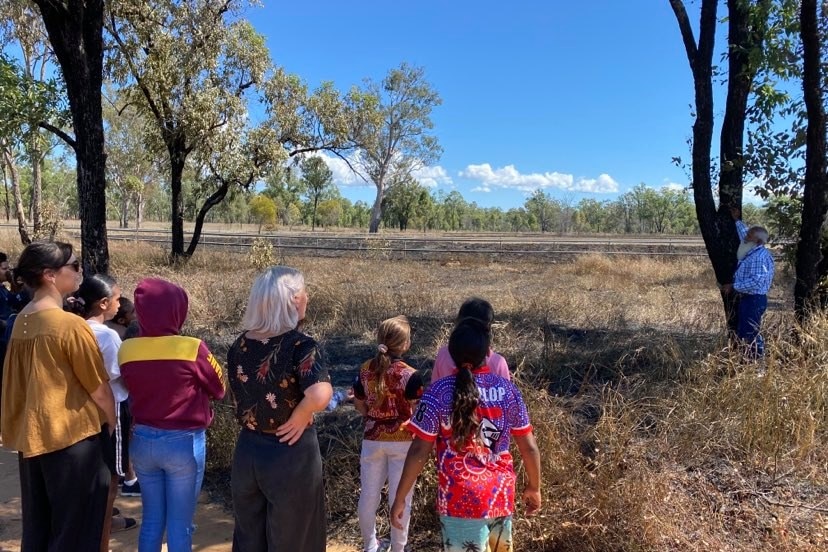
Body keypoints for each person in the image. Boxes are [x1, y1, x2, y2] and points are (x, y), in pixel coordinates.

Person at [1, 241, 116, 550]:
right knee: (77, 530)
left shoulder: (21, 320)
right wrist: (111, 422)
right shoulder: (69, 325)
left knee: (39, 527)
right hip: (73, 441)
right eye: (74, 266)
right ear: (50, 275)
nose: (80, 272)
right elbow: (99, 388)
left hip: (34, 439)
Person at [390, 319, 542, 552]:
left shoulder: (437, 393)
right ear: (487, 353)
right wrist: (534, 487)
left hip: (459, 500)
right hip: (500, 497)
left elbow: (419, 450)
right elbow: (529, 447)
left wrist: (400, 497)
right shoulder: (508, 390)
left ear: (451, 354)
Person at [227, 266, 332, 552]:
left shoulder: (240, 344)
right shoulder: (302, 345)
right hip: (290, 454)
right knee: (294, 540)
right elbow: (320, 393)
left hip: (247, 451)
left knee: (249, 538)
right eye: (304, 292)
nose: (307, 297)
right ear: (295, 300)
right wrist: (301, 414)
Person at [119, 278, 226, 552]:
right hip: (183, 443)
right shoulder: (191, 347)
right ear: (177, 310)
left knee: (152, 520)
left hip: (142, 441)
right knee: (180, 524)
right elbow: (219, 388)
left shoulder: (127, 349)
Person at [67, 274, 139, 547]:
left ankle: (98, 521)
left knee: (93, 472)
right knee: (111, 476)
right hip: (113, 408)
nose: (121, 304)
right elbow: (120, 375)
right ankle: (103, 531)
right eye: (118, 298)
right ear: (104, 303)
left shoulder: (74, 327)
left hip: (83, 410)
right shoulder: (108, 336)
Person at [353, 316, 424, 552]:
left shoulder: (364, 370)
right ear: (405, 344)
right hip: (403, 441)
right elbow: (416, 410)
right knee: (401, 498)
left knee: (369, 495)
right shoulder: (411, 375)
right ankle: (398, 547)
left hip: (372, 438)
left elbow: (360, 404)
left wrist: (371, 417)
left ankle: (370, 545)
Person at [724, 209, 775, 358]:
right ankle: (749, 362)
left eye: (749, 236)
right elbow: (744, 233)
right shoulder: (753, 248)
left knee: (749, 333)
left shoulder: (758, 257)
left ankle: (756, 365)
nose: (745, 237)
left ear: (758, 241)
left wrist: (733, 286)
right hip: (750, 299)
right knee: (746, 330)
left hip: (754, 299)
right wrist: (737, 220)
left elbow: (756, 281)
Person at [431, 297, 510, 382]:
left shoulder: (443, 355)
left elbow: (434, 389)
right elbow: (506, 393)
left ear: (458, 323)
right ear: (488, 328)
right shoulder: (498, 363)